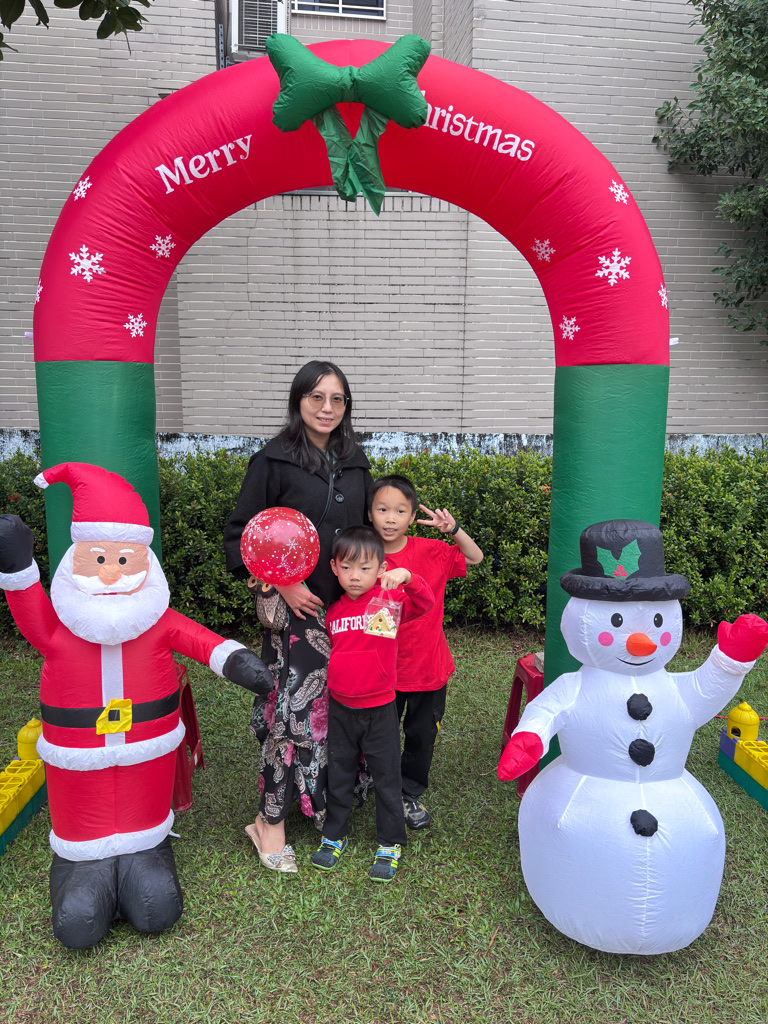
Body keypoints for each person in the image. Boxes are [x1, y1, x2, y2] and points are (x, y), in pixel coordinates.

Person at [223, 360, 373, 873]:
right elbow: (240, 536)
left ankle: (325, 802)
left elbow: (370, 534)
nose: (327, 408)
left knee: (338, 709)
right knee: (291, 714)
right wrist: (283, 582)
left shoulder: (355, 462)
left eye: (337, 399)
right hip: (296, 615)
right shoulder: (274, 460)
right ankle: (269, 822)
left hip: (349, 611)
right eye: (316, 397)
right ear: (298, 401)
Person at [312, 526, 434, 882]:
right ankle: (334, 835)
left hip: (380, 708)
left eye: (365, 568)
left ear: (381, 569)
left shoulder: (389, 601)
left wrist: (408, 577)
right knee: (340, 774)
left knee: (386, 776)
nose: (355, 576)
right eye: (347, 567)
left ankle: (390, 842)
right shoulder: (332, 612)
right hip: (341, 708)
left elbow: (425, 602)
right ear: (334, 568)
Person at [368, 474, 484, 829]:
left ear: (412, 515)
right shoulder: (362, 554)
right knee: (379, 735)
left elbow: (475, 557)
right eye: (382, 509)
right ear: (369, 513)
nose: (390, 518)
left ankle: (409, 792)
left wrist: (454, 530)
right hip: (380, 670)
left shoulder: (431, 550)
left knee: (421, 736)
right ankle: (374, 783)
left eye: (400, 511)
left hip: (427, 668)